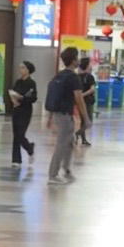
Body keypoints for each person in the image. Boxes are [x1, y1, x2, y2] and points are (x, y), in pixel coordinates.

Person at [45, 46, 89, 184]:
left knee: (69, 143)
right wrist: (85, 118)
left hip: (59, 114)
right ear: (74, 60)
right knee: (62, 144)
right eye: (77, 57)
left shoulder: (59, 75)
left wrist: (50, 117)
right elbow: (79, 99)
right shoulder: (73, 78)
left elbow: (54, 96)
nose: (79, 60)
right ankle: (53, 175)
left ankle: (66, 170)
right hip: (64, 116)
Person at [7, 60, 37, 166]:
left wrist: (21, 98)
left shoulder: (31, 83)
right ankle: (16, 160)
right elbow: (12, 92)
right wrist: (14, 100)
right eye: (20, 67)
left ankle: (29, 148)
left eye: (23, 67)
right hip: (16, 110)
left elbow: (33, 98)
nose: (20, 69)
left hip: (25, 110)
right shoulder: (18, 82)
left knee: (20, 134)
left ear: (28, 70)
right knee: (16, 135)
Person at [76, 57, 96, 146]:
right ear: (87, 65)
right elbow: (92, 89)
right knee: (89, 121)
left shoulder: (77, 77)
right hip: (87, 102)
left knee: (83, 121)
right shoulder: (90, 77)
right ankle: (77, 134)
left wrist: (79, 96)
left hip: (79, 102)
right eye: (90, 64)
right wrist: (83, 95)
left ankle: (83, 139)